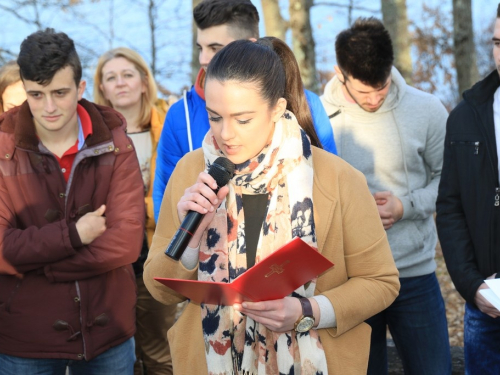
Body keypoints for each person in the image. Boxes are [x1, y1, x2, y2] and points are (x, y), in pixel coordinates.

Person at [143, 38, 400, 374]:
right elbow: (159, 289)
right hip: (210, 361)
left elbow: (381, 282)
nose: (226, 133)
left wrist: (308, 310)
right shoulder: (192, 171)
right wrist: (191, 243)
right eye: (214, 117)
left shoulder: (338, 178)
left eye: (243, 119)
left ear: (278, 108)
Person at [0, 29, 145, 374]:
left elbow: (126, 243)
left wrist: (44, 266)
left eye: (60, 93)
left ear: (81, 89)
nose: (48, 107)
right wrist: (75, 235)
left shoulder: (115, 142)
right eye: (36, 94)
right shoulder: (3, 149)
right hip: (26, 337)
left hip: (107, 332)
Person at [320, 17, 451, 375]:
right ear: (339, 72)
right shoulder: (317, 119)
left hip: (415, 275)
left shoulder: (428, 110)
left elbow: (448, 181)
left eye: (383, 87)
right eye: (364, 93)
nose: (376, 99)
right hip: (351, 281)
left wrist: (405, 206)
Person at [152, 0, 337, 222]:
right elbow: (165, 204)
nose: (203, 59)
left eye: (215, 48)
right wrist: (188, 247)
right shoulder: (179, 114)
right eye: (215, 117)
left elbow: (330, 188)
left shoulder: (306, 103)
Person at [93, 47, 175, 375]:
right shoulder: (91, 135)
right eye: (111, 77)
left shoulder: (168, 125)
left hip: (157, 251)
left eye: (127, 75)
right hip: (109, 258)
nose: (120, 83)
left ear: (144, 82)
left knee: (159, 347)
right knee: (117, 351)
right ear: (102, 87)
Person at [436, 4, 500, 373]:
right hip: (486, 306)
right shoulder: (466, 115)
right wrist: (471, 286)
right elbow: (450, 207)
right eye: (497, 42)